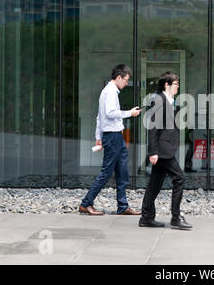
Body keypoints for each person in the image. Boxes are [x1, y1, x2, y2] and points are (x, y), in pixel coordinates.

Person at [79, 64, 142, 215]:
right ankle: (86, 203)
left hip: (114, 136)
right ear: (119, 77)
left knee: (122, 171)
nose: (127, 83)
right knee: (106, 172)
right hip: (113, 136)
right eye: (126, 80)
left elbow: (100, 117)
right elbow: (110, 113)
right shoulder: (111, 92)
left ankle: (123, 206)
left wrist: (98, 138)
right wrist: (130, 113)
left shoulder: (107, 91)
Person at [139, 71, 192, 229]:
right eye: (175, 84)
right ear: (166, 85)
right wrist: (153, 152)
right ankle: (175, 217)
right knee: (179, 178)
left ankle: (146, 217)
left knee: (155, 183)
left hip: (164, 149)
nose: (177, 87)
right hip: (162, 151)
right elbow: (153, 128)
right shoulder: (160, 101)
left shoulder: (167, 100)